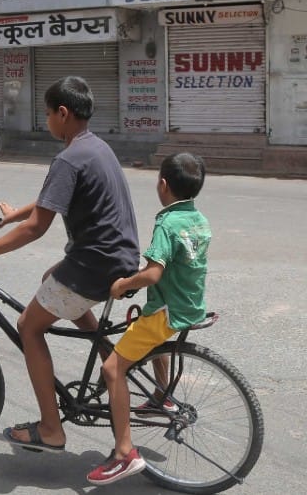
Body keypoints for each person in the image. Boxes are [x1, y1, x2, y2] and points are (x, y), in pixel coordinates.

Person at [0, 75, 140, 456]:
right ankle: (105, 352)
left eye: (48, 113)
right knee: (52, 277)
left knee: (28, 327)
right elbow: (48, 203)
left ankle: (51, 429)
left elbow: (39, 227)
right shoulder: (96, 147)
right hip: (120, 257)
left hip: (93, 264)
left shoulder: (68, 158)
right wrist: (13, 215)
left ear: (63, 113)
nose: (47, 120)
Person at [87, 152, 211, 486]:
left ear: (163, 185)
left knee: (112, 369)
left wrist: (123, 285)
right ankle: (161, 396)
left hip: (164, 310)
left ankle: (124, 453)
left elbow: (154, 274)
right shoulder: (198, 220)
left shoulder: (167, 223)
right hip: (188, 306)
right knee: (146, 335)